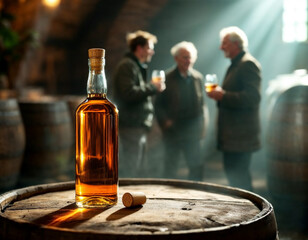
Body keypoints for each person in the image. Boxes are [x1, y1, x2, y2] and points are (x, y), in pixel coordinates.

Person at [207, 26, 262, 191]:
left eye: (224, 43)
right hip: (234, 135)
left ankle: (252, 214)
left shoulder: (248, 64)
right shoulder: (236, 64)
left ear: (235, 44)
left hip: (241, 136)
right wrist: (221, 96)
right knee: (235, 177)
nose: (220, 47)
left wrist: (223, 95)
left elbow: (253, 97)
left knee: (240, 179)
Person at [112, 30, 165, 178]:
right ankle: (126, 198)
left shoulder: (135, 66)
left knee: (139, 167)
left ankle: (133, 197)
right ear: (140, 48)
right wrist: (152, 87)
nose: (152, 52)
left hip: (137, 125)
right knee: (131, 167)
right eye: (150, 47)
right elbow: (128, 94)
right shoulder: (127, 66)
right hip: (130, 125)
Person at [155, 41, 207, 181]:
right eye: (184, 57)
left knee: (196, 167)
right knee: (170, 167)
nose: (188, 60)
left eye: (190, 57)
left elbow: (202, 105)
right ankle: (166, 199)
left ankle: (196, 199)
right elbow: (158, 104)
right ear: (176, 58)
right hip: (173, 130)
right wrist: (165, 123)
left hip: (193, 130)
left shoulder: (198, 78)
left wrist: (202, 126)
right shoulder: (167, 77)